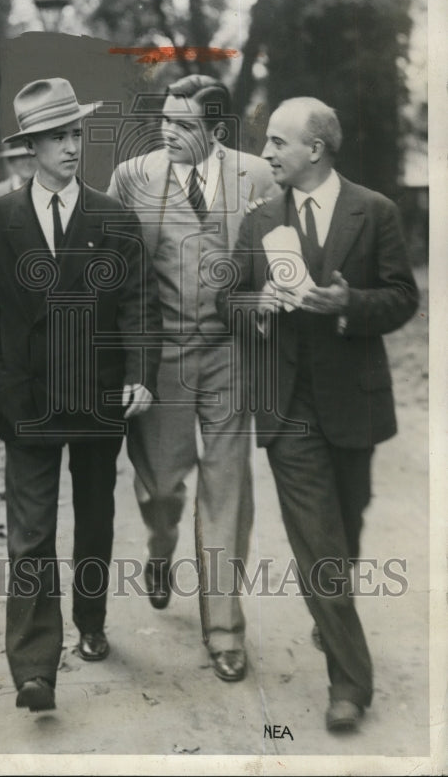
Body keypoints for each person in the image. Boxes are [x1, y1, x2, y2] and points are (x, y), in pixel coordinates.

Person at [220, 96, 419, 731]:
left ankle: (330, 615)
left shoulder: (376, 211)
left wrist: (346, 303)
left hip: (353, 404)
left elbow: (401, 298)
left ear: (316, 149)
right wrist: (259, 302)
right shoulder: (257, 222)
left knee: (346, 527)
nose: (267, 152)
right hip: (288, 408)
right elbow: (228, 302)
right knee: (318, 544)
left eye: (278, 142)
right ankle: (350, 684)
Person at [0, 77, 161, 713]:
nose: (72, 147)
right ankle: (33, 669)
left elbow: (138, 302)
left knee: (95, 515)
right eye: (57, 137)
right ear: (30, 146)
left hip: (99, 394)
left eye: (76, 134)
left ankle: (92, 620)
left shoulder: (113, 215)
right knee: (29, 531)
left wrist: (139, 371)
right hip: (25, 400)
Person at [106, 74, 277, 683]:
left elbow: (281, 255)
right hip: (164, 359)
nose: (168, 132)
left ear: (217, 130)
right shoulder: (133, 177)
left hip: (231, 354)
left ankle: (225, 632)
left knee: (228, 492)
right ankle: (160, 544)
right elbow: (117, 271)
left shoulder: (257, 177)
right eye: (165, 120)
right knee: (157, 487)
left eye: (184, 124)